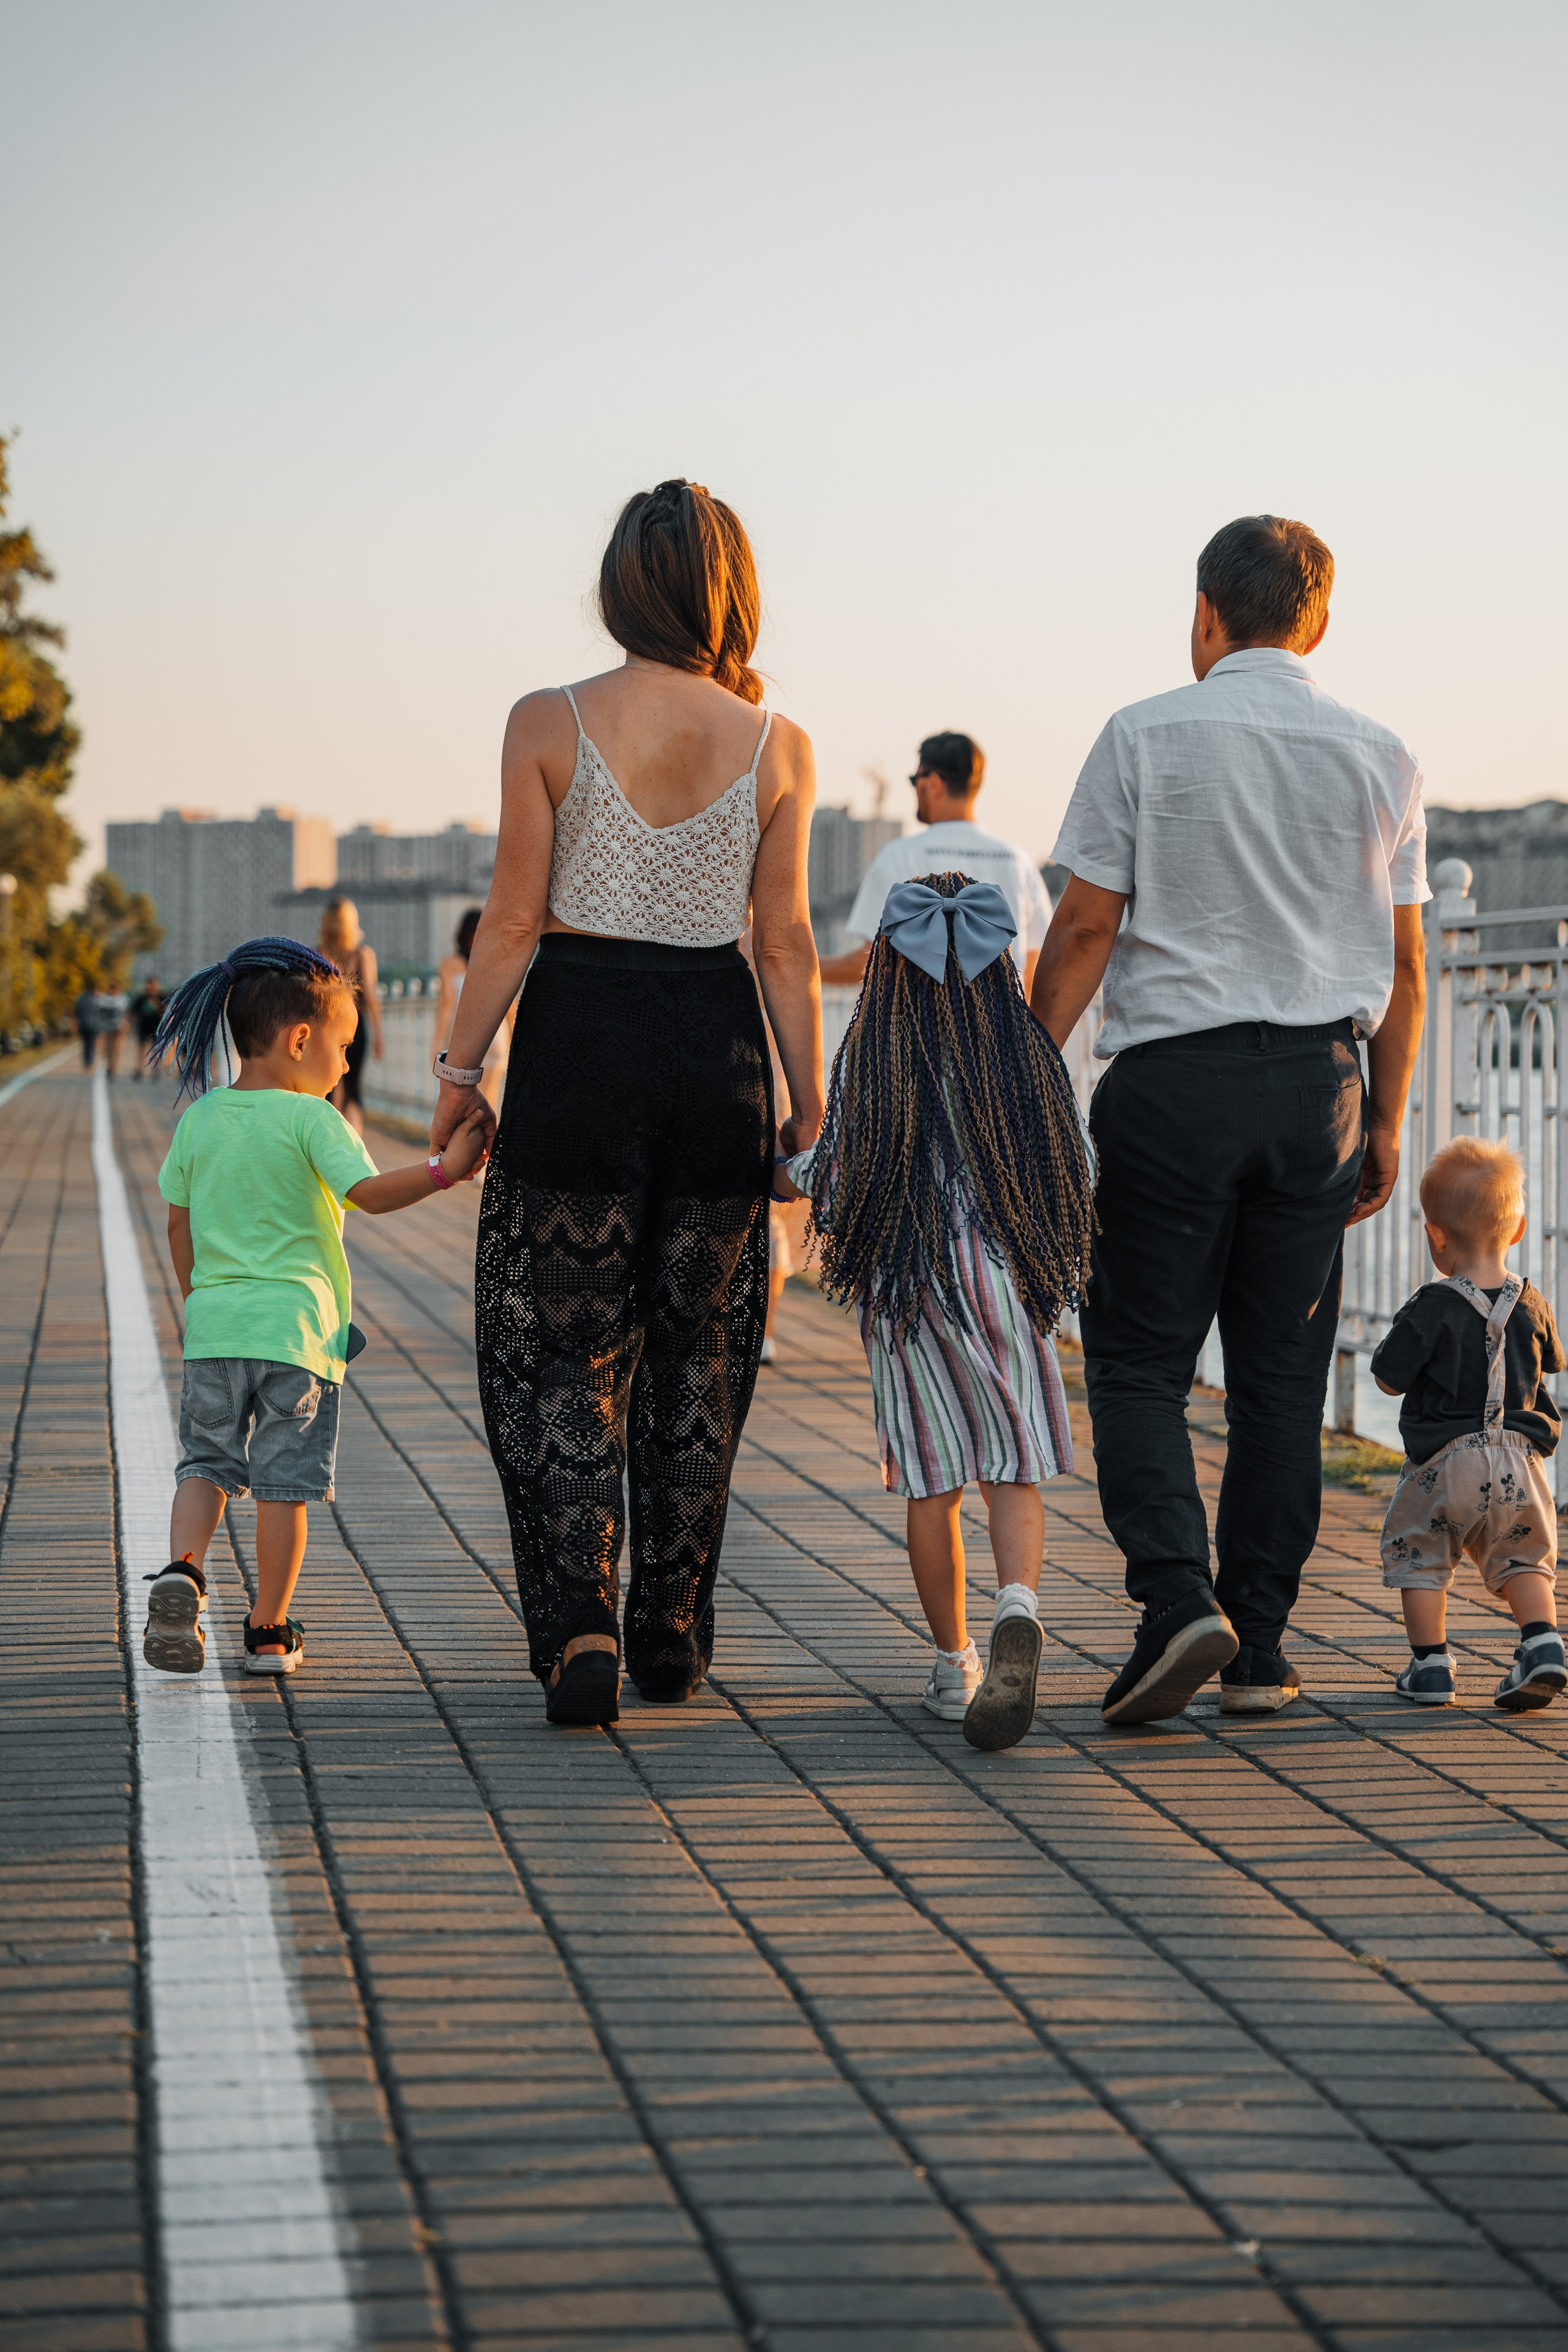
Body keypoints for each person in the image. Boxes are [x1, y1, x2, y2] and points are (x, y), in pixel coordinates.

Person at [429, 478, 823, 1727]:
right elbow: (784, 943)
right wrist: (807, 1098)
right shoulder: (779, 744)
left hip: (578, 1044)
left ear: (617, 583)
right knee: (695, 1353)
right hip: (713, 1050)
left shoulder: (546, 719)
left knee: (565, 1348)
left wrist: (456, 1073)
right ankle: (667, 1631)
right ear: (733, 588)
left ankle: (580, 1622)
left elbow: (511, 921)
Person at [1034, 513, 1428, 1725]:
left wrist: (1020, 1067)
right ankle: (1256, 1649)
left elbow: (1089, 927)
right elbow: (1405, 967)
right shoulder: (1380, 755)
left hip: (1172, 1084)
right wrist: (1383, 1124)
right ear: (1316, 622)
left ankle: (1172, 1602)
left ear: (1204, 614)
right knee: (1277, 1376)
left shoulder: (1142, 733)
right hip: (1319, 1086)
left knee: (1140, 1362)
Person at [779, 869, 1095, 1751]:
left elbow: (831, 1179)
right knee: (1013, 1469)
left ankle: (954, 1662)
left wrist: (781, 1170)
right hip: (1003, 1276)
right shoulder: (1022, 1063)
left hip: (908, 1282)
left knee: (933, 1481)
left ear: (887, 970)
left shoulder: (881, 1066)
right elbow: (1079, 1167)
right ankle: (1018, 1607)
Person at [140, 938, 486, 1679]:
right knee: (283, 1486)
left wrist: (196, 1299)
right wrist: (444, 1169)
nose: (348, 1065)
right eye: (344, 1046)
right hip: (296, 1337)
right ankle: (268, 1630)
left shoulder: (200, 1120)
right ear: (301, 1039)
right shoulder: (315, 1121)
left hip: (214, 1330)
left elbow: (177, 1221)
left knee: (204, 1465)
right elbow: (368, 1196)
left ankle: (184, 1572)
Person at [1371, 1137, 1566, 1711]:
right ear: (1519, 1228)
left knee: (1420, 1554)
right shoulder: (1531, 1302)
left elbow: (1387, 1378)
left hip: (1445, 1464)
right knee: (1524, 1557)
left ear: (1436, 1236)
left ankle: (1431, 1666)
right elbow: (1553, 1361)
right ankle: (1542, 1643)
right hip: (1521, 1464)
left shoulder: (1432, 1305)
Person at [816, 733, 1052, 992]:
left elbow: (870, 960)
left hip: (922, 1028)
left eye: (915, 779)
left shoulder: (898, 855)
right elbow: (1032, 967)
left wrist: (800, 966)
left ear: (934, 783)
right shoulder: (1018, 861)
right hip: (1002, 1027)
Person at [436, 908, 513, 1117]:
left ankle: (470, 1148)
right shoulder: (498, 963)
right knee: (491, 1102)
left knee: (465, 1107)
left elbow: (447, 1005)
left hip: (465, 1041)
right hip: (496, 1039)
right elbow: (510, 1006)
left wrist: (438, 1044)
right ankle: (492, 1148)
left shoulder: (450, 964)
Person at [318, 897, 382, 1134]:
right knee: (354, 1090)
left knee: (328, 1089)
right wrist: (379, 1035)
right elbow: (372, 999)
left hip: (326, 1030)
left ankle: (327, 1144)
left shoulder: (317, 954)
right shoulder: (363, 954)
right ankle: (356, 1148)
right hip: (356, 1028)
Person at [130, 978, 164, 1078]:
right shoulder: (142, 998)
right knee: (141, 1049)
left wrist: (156, 1002)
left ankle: (156, 1070)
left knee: (156, 1050)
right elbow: (134, 1011)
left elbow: (164, 1010)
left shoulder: (161, 997)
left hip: (156, 1027)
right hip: (144, 1026)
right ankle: (139, 1070)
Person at [74, 984, 99, 1071]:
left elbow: (76, 1012)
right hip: (92, 1026)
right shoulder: (95, 1001)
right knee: (91, 1045)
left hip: (83, 1025)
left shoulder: (81, 1000)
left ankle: (86, 1062)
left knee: (85, 1044)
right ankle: (90, 1062)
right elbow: (98, 1014)